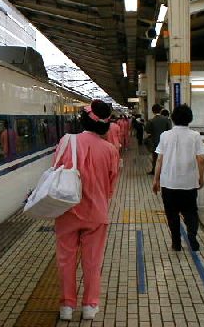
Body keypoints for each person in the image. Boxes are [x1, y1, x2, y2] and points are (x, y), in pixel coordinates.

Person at [54, 100, 119, 321]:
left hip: (66, 211)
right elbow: (111, 187)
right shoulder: (110, 150)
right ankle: (90, 306)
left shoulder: (66, 141)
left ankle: (66, 307)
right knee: (93, 261)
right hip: (96, 213)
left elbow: (55, 171)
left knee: (66, 259)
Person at [152, 104, 204, 252]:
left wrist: (155, 180)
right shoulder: (195, 136)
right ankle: (192, 236)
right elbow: (201, 159)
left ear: (173, 118)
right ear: (190, 119)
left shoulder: (165, 136)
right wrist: (201, 178)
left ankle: (176, 243)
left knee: (172, 214)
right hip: (189, 182)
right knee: (190, 212)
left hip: (168, 183)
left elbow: (159, 160)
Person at [145, 104, 171, 175]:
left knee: (155, 157)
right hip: (165, 142)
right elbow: (170, 130)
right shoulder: (166, 120)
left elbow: (148, 131)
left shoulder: (151, 121)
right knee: (165, 157)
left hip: (155, 142)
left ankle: (154, 171)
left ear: (153, 111)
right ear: (160, 110)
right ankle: (165, 171)